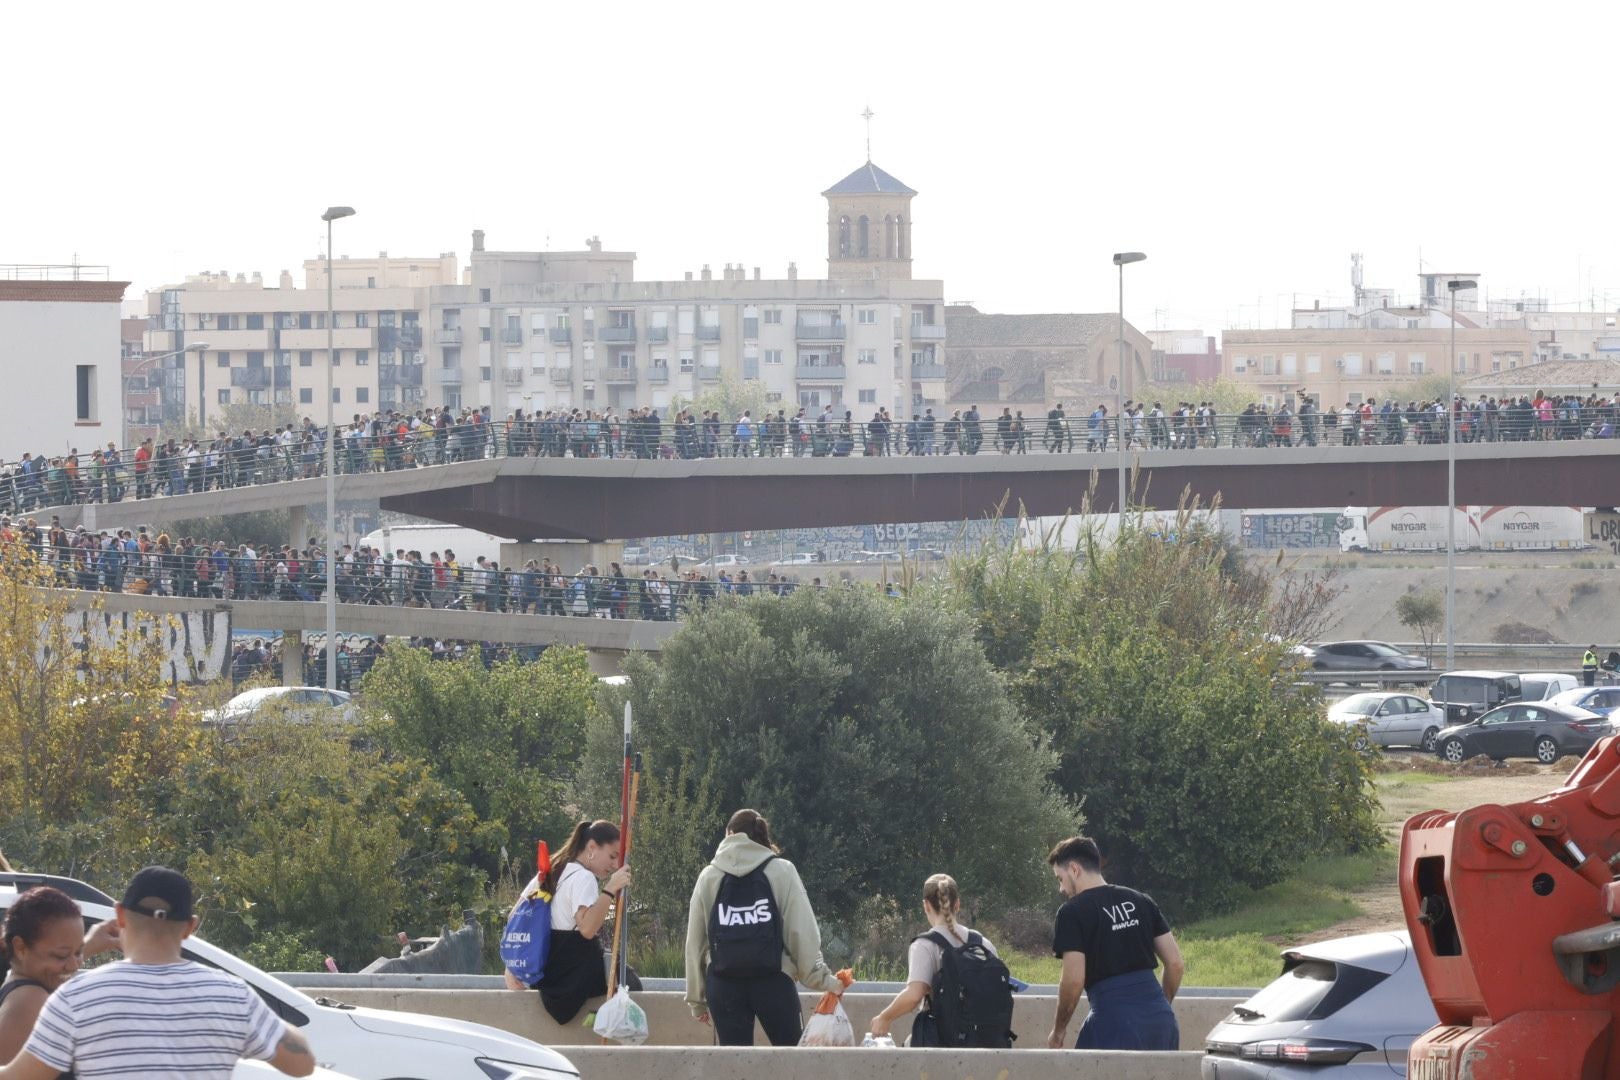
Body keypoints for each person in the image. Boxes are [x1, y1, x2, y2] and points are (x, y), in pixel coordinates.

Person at [0, 866, 315, 1079]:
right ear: (191, 926)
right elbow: (302, 1064)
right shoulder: (233, 996)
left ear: (120, 914)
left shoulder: (75, 998)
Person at [684, 808, 844, 1046]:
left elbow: (695, 944)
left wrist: (697, 1001)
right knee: (793, 1063)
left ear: (729, 834)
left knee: (734, 1068)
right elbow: (801, 932)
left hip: (724, 985)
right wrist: (823, 980)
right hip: (774, 982)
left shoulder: (708, 876)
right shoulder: (782, 870)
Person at [1047, 836, 1182, 1052]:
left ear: (1074, 869)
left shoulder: (1072, 912)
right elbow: (1175, 964)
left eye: (1059, 879)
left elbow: (1073, 981)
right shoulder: (1141, 900)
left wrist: (1059, 1030)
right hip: (1161, 1021)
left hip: (1114, 1022)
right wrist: (1160, 1005)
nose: (1061, 889)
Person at [502, 819, 632, 1024]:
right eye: (612, 856)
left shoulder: (550, 871)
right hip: (570, 983)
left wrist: (512, 965)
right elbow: (588, 929)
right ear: (591, 847)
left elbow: (514, 916)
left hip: (546, 979)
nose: (615, 865)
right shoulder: (584, 878)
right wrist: (610, 888)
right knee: (630, 983)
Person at [868, 873, 1008, 1046]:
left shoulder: (924, 945)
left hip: (942, 1043)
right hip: (988, 1042)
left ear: (926, 906)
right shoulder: (983, 943)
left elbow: (914, 995)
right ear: (957, 904)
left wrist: (885, 1017)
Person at [0, 886, 122, 1065]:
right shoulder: (31, 1000)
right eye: (61, 955)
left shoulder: (22, 988)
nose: (74, 964)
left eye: (78, 952)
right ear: (20, 947)